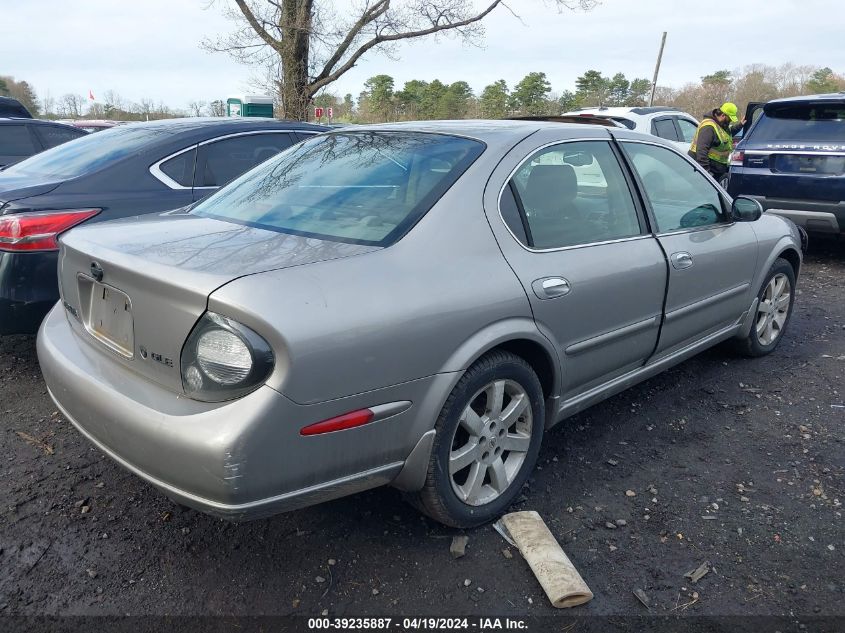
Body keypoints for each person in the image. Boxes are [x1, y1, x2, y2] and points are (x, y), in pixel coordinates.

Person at [688, 102, 745, 180]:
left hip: (716, 171)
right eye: (729, 119)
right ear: (723, 115)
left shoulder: (720, 124)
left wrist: (740, 125)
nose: (730, 121)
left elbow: (727, 133)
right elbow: (701, 152)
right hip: (706, 172)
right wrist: (706, 175)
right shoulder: (708, 127)